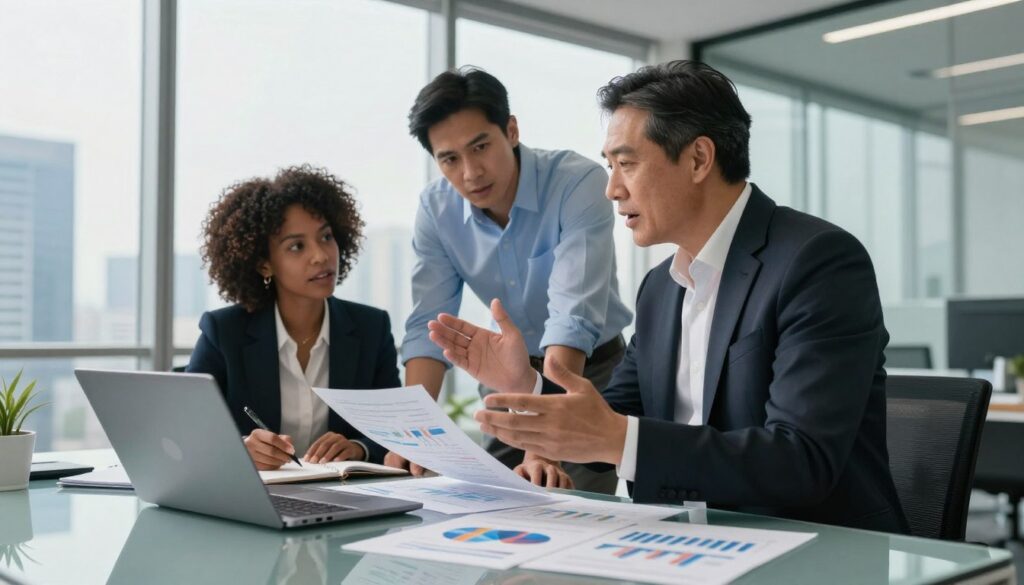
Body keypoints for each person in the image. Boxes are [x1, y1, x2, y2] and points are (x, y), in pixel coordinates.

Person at [428, 61, 909, 533]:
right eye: (609, 166)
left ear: (699, 159)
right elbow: (608, 416)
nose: (613, 189)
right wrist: (527, 384)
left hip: (812, 552)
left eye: (627, 164)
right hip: (686, 545)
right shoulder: (661, 288)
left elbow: (801, 461)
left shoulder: (817, 262)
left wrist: (622, 442)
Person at [391, 67, 633, 493]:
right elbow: (428, 325)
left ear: (511, 130)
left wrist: (543, 444)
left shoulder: (576, 182)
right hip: (509, 375)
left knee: (579, 514)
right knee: (496, 508)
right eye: (449, 159)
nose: (470, 173)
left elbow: (571, 316)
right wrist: (416, 434)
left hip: (588, 372)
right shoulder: (436, 209)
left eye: (480, 146)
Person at [186, 165, 400, 470]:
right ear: (264, 265)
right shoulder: (224, 331)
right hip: (254, 500)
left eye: (326, 237)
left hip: (345, 498)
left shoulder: (371, 328)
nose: (321, 255)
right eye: (297, 246)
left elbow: (395, 428)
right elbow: (189, 430)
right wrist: (241, 449)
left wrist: (358, 448)